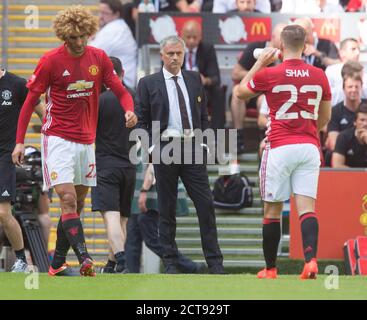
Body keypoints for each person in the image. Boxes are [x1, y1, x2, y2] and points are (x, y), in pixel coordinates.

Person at [12, 5, 137, 277]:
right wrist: (20, 141)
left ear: (89, 33)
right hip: (57, 138)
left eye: (83, 37)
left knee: (76, 206)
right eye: (73, 38)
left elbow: (121, 91)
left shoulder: (99, 57)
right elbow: (29, 103)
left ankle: (56, 263)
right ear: (64, 37)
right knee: (67, 199)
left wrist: (129, 109)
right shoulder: (50, 61)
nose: (79, 43)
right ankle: (85, 258)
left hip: (85, 142)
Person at [236, 24, 332, 279]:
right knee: (307, 209)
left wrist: (260, 64)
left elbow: (239, 92)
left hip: (279, 146)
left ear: (280, 46)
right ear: (305, 45)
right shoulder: (320, 75)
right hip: (309, 146)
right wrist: (310, 131)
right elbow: (325, 116)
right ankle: (310, 261)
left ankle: (270, 268)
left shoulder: (271, 74)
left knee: (272, 211)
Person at [136, 35, 224, 274]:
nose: (175, 57)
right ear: (161, 56)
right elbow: (141, 122)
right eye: (170, 54)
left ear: (184, 54)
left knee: (205, 205)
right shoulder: (148, 83)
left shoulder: (194, 78)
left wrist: (205, 145)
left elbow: (203, 116)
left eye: (179, 53)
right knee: (167, 207)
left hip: (192, 146)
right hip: (164, 146)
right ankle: (171, 263)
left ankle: (215, 263)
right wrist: (153, 149)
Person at [125, 147, 204, 274]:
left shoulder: (149, 140)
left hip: (149, 198)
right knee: (132, 240)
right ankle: (130, 272)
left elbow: (152, 168)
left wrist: (144, 191)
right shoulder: (138, 144)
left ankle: (186, 265)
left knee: (152, 239)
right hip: (137, 199)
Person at [91, 56, 136, 274]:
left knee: (111, 216)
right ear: (123, 73)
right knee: (123, 219)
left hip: (106, 165)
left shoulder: (99, 100)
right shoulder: (135, 97)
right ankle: (111, 266)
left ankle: (121, 261)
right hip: (130, 166)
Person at [0, 69, 44, 272]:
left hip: (5, 157)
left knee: (3, 213)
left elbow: (42, 112)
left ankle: (20, 259)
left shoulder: (16, 84)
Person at [230, 23, 286, 154]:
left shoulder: (288, 52)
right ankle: (238, 136)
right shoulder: (255, 48)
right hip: (253, 89)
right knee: (236, 92)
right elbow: (236, 73)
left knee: (263, 100)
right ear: (273, 37)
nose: (284, 42)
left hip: (274, 94)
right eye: (281, 38)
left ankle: (266, 139)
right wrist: (260, 74)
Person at [181, 20, 225, 131]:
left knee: (218, 92)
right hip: (180, 88)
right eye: (188, 37)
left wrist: (205, 80)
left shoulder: (207, 48)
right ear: (182, 36)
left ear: (200, 37)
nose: (191, 41)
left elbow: (216, 78)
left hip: (202, 90)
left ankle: (216, 133)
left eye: (195, 37)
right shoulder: (175, 48)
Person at [89, 0, 138, 89]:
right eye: (100, 12)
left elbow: (90, 54)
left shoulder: (114, 30)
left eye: (105, 13)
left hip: (121, 82)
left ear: (116, 14)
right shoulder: (118, 27)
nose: (100, 16)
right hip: (122, 80)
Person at [332, 103, 367, 168]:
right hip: (348, 177)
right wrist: (359, 176)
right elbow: (337, 165)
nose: (365, 124)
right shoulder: (344, 137)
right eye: (362, 120)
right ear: (355, 122)